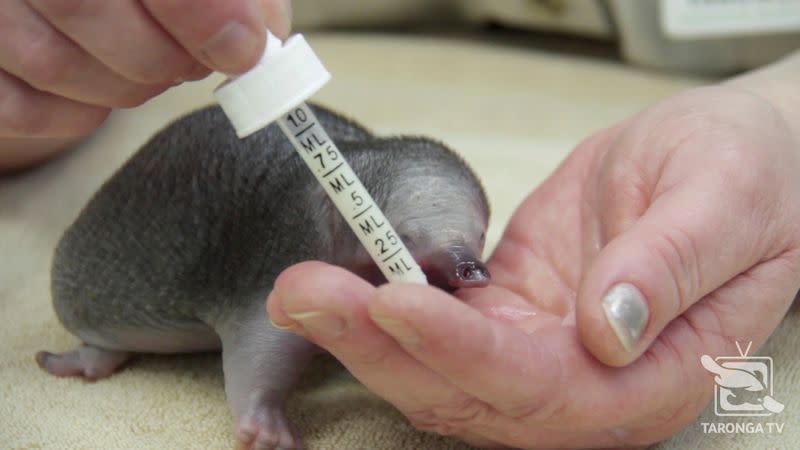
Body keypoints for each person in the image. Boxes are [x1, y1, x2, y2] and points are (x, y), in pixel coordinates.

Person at [4, 2, 798, 447]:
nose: (465, 271)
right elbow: (265, 317)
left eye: (468, 251)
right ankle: (107, 340)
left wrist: (780, 120)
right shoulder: (302, 229)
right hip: (131, 259)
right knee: (266, 298)